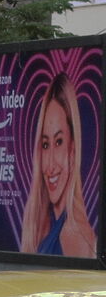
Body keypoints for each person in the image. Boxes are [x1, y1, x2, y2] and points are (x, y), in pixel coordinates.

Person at [20, 74, 97, 258]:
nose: (50, 164)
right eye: (45, 145)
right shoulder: (39, 223)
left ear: (73, 148)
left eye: (59, 141)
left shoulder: (76, 235)